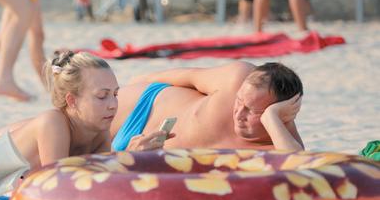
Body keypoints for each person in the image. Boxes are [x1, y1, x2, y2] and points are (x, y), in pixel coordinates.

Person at [0, 51, 170, 195]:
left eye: (115, 94)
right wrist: (125, 156)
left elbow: (100, 181)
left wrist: (136, 157)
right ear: (71, 101)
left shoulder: (98, 129)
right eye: (102, 95)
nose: (113, 104)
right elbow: (61, 185)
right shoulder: (53, 123)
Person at [111, 61, 304, 152]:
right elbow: (190, 76)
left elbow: (299, 166)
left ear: (282, 115)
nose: (238, 114)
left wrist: (271, 118)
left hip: (142, 155)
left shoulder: (279, 147)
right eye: (239, 101)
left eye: (252, 111)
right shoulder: (238, 77)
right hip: (144, 106)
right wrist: (143, 79)